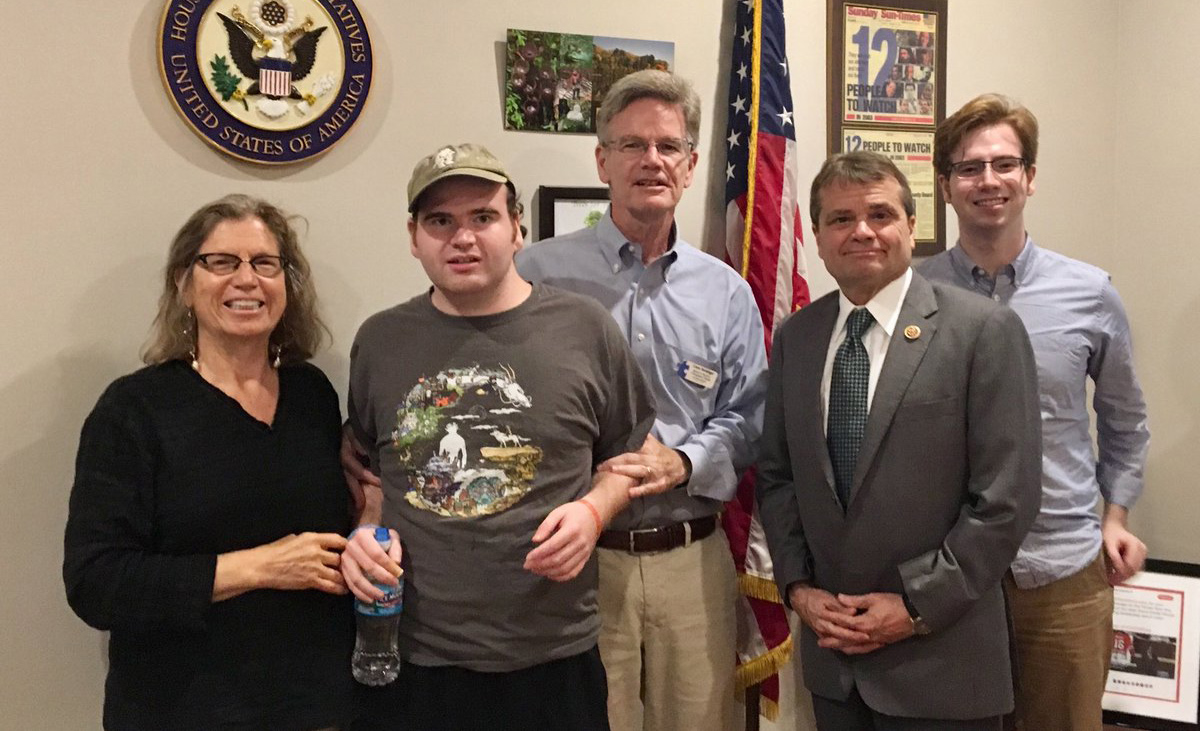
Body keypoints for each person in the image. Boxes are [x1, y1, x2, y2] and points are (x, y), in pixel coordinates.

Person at [339, 143, 655, 731]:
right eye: (440, 221)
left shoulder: (586, 330)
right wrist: (365, 532)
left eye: (482, 217)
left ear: (517, 229)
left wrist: (592, 511)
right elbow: (372, 474)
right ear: (414, 237)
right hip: (415, 657)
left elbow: (626, 457)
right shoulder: (379, 341)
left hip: (551, 656)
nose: (462, 238)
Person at [515, 70, 767, 731]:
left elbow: (752, 416)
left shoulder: (727, 292)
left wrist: (681, 463)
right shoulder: (536, 277)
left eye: (667, 146)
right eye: (631, 145)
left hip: (694, 558)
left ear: (688, 166)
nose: (650, 160)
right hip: (581, 566)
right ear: (603, 161)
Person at [756, 152, 1042, 729]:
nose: (861, 231)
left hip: (943, 665)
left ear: (912, 226)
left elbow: (1005, 502)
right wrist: (799, 589)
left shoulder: (982, 331)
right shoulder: (798, 337)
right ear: (816, 235)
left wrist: (914, 607)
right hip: (836, 665)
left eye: (880, 215)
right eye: (839, 219)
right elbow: (779, 476)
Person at [63, 195, 358, 731]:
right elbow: (96, 583)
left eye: (265, 263)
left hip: (316, 707)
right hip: (181, 710)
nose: (246, 280)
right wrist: (261, 567)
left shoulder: (312, 393)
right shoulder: (133, 410)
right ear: (183, 283)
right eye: (221, 262)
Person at [919, 93, 1151, 731]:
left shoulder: (1090, 293)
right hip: (952, 573)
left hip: (1062, 570)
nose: (988, 181)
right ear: (945, 185)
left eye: (1004, 164)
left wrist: (1117, 514)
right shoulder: (914, 296)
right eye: (969, 168)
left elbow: (1126, 419)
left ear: (1030, 178)